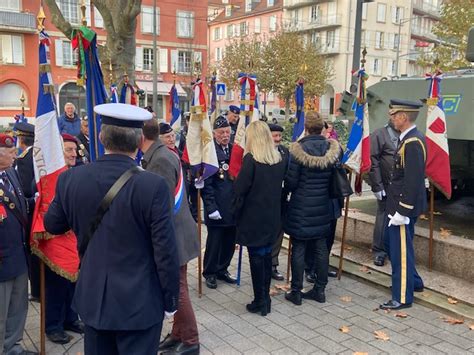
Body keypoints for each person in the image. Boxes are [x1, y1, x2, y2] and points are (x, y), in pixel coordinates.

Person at [44, 103, 180, 354]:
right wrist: (171, 299)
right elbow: (166, 250)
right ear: (140, 140)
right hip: (140, 302)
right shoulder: (153, 186)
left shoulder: (70, 178)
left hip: (94, 298)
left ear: (100, 136)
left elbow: (52, 224)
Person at [141, 119, 200, 355]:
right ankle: (178, 334)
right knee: (178, 286)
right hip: (178, 230)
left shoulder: (160, 160)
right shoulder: (161, 154)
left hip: (174, 234)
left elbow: (162, 205)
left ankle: (191, 340)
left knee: (178, 288)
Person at [284, 111, 340, 306]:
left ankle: (296, 291)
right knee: (320, 248)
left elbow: (290, 182)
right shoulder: (331, 149)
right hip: (323, 206)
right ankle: (320, 290)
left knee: (298, 247)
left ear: (306, 128)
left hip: (301, 206)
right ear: (322, 127)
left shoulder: (298, 150)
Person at [234, 121, 286, 316]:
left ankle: (260, 300)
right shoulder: (278, 159)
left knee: (257, 257)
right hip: (271, 216)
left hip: (253, 217)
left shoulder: (251, 160)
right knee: (265, 256)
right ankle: (265, 298)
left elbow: (240, 189)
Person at [380, 99, 427, 311]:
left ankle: (402, 296)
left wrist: (403, 210)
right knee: (394, 246)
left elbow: (413, 180)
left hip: (402, 208)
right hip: (397, 205)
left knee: (400, 252)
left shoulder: (413, 142)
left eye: (394, 115)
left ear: (403, 117)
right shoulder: (406, 139)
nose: (391, 118)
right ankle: (414, 283)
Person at [42, 133, 82, 345]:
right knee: (56, 286)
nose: (73, 154)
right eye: (68, 150)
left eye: (75, 150)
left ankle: (70, 318)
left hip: (74, 238)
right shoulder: (50, 178)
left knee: (72, 283)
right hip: (55, 238)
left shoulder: (75, 174)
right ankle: (53, 326)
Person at [0, 134, 38, 355]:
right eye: (9, 151)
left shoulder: (11, 173)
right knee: (1, 311)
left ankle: (13, 345)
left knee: (18, 306)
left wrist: (36, 201)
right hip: (2, 257)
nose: (15, 154)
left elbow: (19, 203)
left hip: (18, 253)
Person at [201, 116, 237, 289]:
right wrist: (211, 208)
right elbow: (207, 185)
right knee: (214, 243)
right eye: (221, 132)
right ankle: (210, 272)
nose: (225, 135)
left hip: (232, 207)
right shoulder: (210, 152)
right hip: (217, 206)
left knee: (230, 242)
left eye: (228, 132)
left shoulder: (233, 150)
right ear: (214, 133)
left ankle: (223, 269)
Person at [13, 122, 41, 302]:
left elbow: (24, 189)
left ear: (21, 140)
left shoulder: (23, 159)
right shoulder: (40, 154)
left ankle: (37, 290)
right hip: (43, 209)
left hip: (32, 212)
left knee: (33, 253)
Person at [368, 120, 399, 266]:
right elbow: (373, 161)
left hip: (402, 186)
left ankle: (395, 249)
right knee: (383, 217)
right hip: (385, 185)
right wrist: (377, 185)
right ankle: (379, 251)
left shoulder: (406, 134)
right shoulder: (380, 134)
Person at [267, 123, 290, 281]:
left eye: (280, 136)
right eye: (275, 136)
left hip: (281, 199)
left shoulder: (284, 151)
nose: (278, 139)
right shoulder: (261, 153)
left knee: (278, 231)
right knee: (266, 232)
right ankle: (263, 261)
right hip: (265, 201)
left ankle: (273, 264)